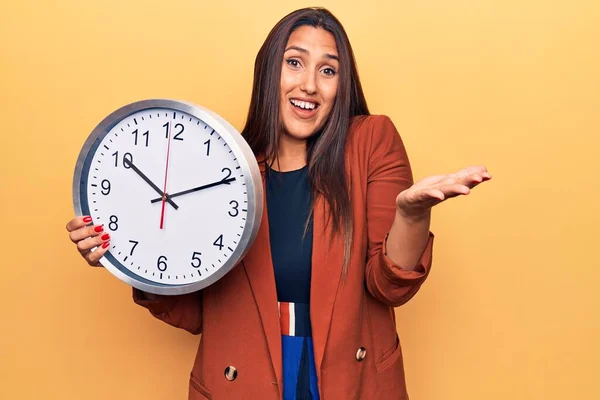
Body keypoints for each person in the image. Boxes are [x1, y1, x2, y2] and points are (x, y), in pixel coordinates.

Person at [66, 7, 491, 400]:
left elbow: (388, 285)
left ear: (342, 85)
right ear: (270, 70)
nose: (309, 84)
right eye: (294, 62)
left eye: (328, 70)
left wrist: (411, 213)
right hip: (243, 379)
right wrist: (126, 261)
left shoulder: (370, 142)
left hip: (349, 378)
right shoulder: (224, 165)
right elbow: (196, 314)